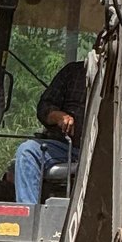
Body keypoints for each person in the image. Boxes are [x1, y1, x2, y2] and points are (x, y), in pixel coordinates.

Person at [13, 56, 89, 208]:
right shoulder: (73, 72)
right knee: (27, 151)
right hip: (66, 148)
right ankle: (30, 214)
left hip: (107, 153)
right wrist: (58, 116)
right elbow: (44, 108)